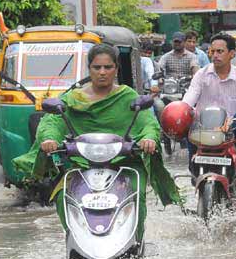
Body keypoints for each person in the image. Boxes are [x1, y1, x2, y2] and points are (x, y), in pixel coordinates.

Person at [12, 43, 180, 238]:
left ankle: (135, 243)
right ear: (89, 69)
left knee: (137, 196)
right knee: (61, 196)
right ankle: (75, 241)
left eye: (108, 67)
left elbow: (147, 123)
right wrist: (49, 138)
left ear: (116, 69)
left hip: (124, 163)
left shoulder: (127, 96)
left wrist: (149, 139)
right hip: (82, 164)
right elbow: (52, 122)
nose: (102, 72)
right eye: (97, 67)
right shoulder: (73, 97)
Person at [183, 32, 236, 171]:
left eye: (220, 51)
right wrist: (181, 110)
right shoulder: (201, 75)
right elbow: (189, 97)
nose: (215, 55)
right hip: (204, 128)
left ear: (232, 54)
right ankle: (194, 169)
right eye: (212, 51)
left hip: (232, 130)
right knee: (187, 115)